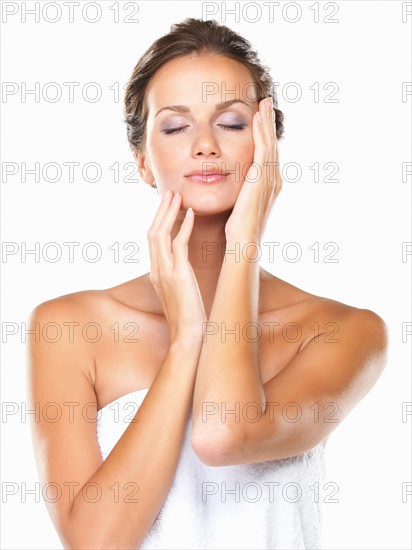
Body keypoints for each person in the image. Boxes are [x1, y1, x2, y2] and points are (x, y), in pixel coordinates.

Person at [27, 17, 388, 549]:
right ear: (143, 161)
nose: (204, 145)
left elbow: (225, 434)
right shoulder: (67, 327)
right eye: (175, 127)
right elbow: (95, 543)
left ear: (268, 146)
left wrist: (244, 244)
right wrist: (186, 340)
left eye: (233, 123)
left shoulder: (344, 332)